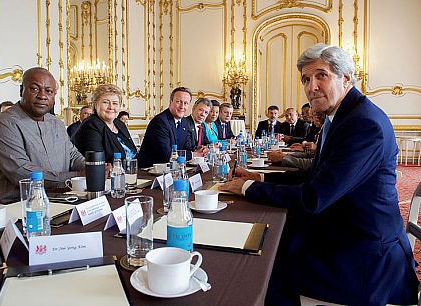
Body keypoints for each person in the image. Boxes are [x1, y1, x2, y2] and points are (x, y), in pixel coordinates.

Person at [220, 43, 418, 305]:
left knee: (263, 266)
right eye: (305, 79)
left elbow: (314, 198)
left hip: (365, 258)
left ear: (345, 77)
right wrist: (260, 179)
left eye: (321, 75)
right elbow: (315, 176)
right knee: (270, 241)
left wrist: (247, 189)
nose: (311, 87)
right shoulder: (342, 116)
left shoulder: (363, 124)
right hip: (346, 232)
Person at [0, 67, 86, 203]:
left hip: (61, 199)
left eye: (49, 91)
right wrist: (78, 176)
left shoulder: (57, 123)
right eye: (35, 89)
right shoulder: (4, 124)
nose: (42, 96)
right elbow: (24, 174)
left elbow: (72, 155)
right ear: (22, 90)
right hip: (18, 207)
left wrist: (93, 167)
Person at [137, 87, 207, 168]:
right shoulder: (160, 122)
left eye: (186, 103)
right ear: (170, 102)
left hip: (172, 168)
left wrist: (199, 150)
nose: (182, 106)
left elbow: (186, 148)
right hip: (149, 171)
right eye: (178, 102)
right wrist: (194, 154)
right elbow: (167, 155)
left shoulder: (184, 122)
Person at [72, 84, 137, 162]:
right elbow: (97, 161)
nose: (111, 107)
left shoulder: (119, 124)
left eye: (115, 103)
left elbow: (134, 153)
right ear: (95, 105)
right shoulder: (91, 125)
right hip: (107, 173)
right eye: (106, 102)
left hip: (132, 171)